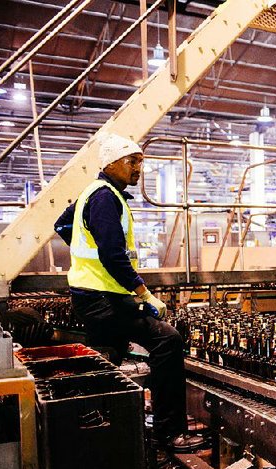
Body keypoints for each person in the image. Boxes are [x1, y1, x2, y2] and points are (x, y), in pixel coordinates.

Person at [54, 133, 203, 452]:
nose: (138, 168)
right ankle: (169, 432)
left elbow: (62, 227)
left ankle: (96, 427)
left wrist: (87, 252)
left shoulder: (92, 193)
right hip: (104, 299)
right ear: (110, 163)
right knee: (167, 339)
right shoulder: (105, 196)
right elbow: (112, 255)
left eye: (141, 162)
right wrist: (143, 294)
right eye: (132, 161)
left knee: (107, 356)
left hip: (90, 296)